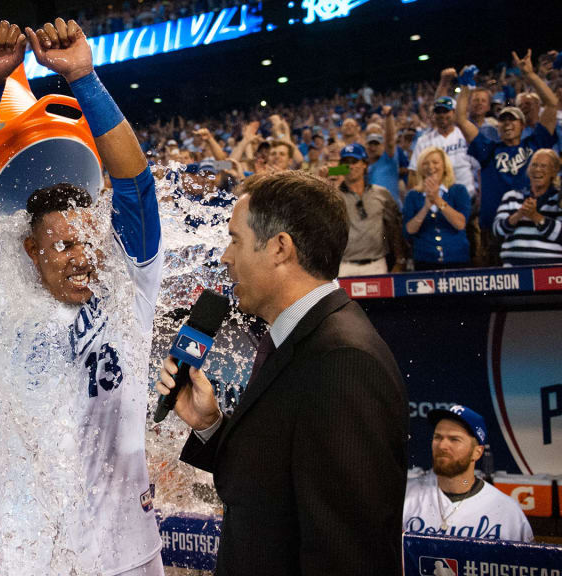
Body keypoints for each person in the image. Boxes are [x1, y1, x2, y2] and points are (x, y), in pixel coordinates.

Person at [0, 18, 164, 575]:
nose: (81, 254)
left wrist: (84, 79)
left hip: (126, 553)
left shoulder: (129, 287)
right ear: (31, 250)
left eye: (88, 239)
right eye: (62, 243)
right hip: (32, 554)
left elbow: (137, 185)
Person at [156, 170, 407, 575]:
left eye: (235, 240)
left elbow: (348, 553)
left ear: (279, 248)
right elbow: (269, 483)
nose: (225, 257)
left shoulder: (344, 361)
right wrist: (210, 424)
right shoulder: (295, 338)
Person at [456, 52, 558, 265]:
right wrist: (465, 86)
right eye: (503, 120)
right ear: (498, 126)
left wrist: (530, 75)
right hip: (495, 229)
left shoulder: (535, 144)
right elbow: (461, 120)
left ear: (522, 126)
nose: (508, 124)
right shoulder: (488, 149)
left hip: (531, 225)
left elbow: (551, 103)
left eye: (513, 120)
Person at [402, 405, 533, 542]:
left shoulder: (507, 511)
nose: (442, 446)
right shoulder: (405, 495)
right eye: (438, 437)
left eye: (454, 439)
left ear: (477, 452)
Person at [336, 143, 406, 276]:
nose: (350, 166)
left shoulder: (382, 193)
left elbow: (394, 229)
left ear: (364, 164)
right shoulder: (333, 196)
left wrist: (400, 260)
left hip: (376, 264)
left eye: (355, 161)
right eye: (345, 162)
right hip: (344, 266)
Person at [403, 147, 471, 270]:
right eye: (426, 163)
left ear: (444, 167)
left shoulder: (458, 191)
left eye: (435, 162)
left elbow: (460, 224)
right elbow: (409, 230)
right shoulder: (412, 196)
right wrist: (425, 208)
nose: (430, 167)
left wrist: (438, 200)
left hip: (457, 259)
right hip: (424, 260)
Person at [492, 149, 562, 266]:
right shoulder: (512, 196)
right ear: (528, 170)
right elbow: (497, 231)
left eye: (543, 166)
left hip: (550, 269)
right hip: (514, 267)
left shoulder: (558, 200)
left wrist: (536, 217)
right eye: (534, 165)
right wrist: (519, 214)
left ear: (554, 172)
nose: (537, 170)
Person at [409, 94, 476, 199]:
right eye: (438, 112)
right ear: (434, 115)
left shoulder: (465, 135)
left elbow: (479, 167)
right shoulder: (423, 141)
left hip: (468, 194)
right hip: (437, 199)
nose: (442, 115)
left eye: (446, 111)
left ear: (454, 113)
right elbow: (413, 173)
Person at [365, 107, 401, 204]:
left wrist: (388, 116)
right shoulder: (361, 163)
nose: (372, 148)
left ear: (382, 146)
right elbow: (344, 168)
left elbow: (390, 140)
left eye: (376, 144)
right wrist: (330, 171)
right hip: (372, 212)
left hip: (391, 211)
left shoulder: (389, 159)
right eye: (370, 144)